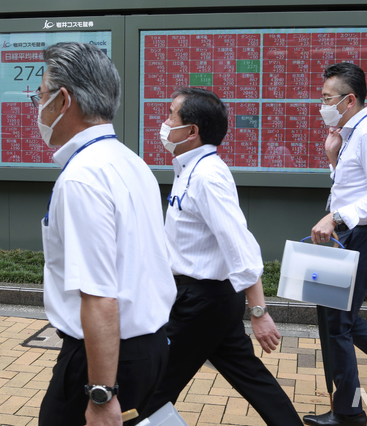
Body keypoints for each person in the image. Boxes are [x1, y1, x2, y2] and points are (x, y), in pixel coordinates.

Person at [140, 87, 302, 426]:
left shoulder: (208, 176)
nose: (164, 122)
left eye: (171, 115)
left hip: (201, 303)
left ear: (192, 131)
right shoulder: (188, 168)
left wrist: (259, 311)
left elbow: (239, 245)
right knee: (251, 378)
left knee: (151, 391)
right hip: (205, 300)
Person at [36, 42, 176, 426]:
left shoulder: (82, 177)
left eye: (41, 95)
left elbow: (98, 295)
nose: (38, 105)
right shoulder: (131, 162)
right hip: (147, 349)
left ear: (64, 100)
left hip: (103, 361)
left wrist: (101, 394)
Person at [306, 62, 367, 426]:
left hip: (365, 237)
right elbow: (353, 186)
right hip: (351, 237)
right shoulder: (350, 133)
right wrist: (333, 158)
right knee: (337, 317)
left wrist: (335, 218)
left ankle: (350, 413)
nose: (322, 105)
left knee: (339, 321)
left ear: (350, 99)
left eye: (327, 98)